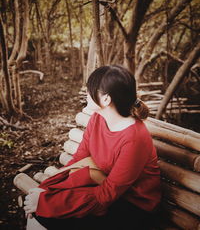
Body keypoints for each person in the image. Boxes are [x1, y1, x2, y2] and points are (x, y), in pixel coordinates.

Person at [24, 65, 161, 230]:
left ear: (106, 99)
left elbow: (107, 195)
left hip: (132, 207)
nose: (86, 94)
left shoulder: (134, 138)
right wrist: (47, 191)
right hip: (103, 187)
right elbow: (79, 159)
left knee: (44, 216)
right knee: (40, 212)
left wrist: (49, 203)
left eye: (90, 90)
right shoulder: (98, 118)